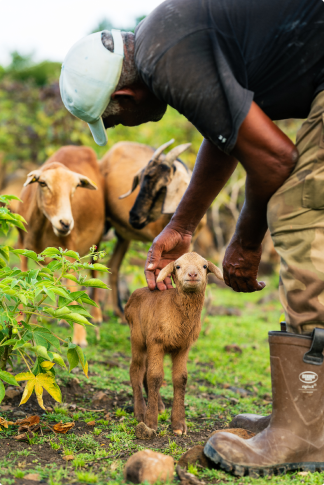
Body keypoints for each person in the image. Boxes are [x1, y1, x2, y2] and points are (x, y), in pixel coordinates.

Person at [60, 0, 324, 475]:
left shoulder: (164, 58)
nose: (125, 127)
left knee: (296, 205)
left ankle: (306, 430)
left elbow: (274, 159)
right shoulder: (168, 35)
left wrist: (244, 241)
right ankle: (307, 409)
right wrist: (181, 225)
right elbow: (228, 134)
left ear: (126, 92)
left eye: (115, 118)